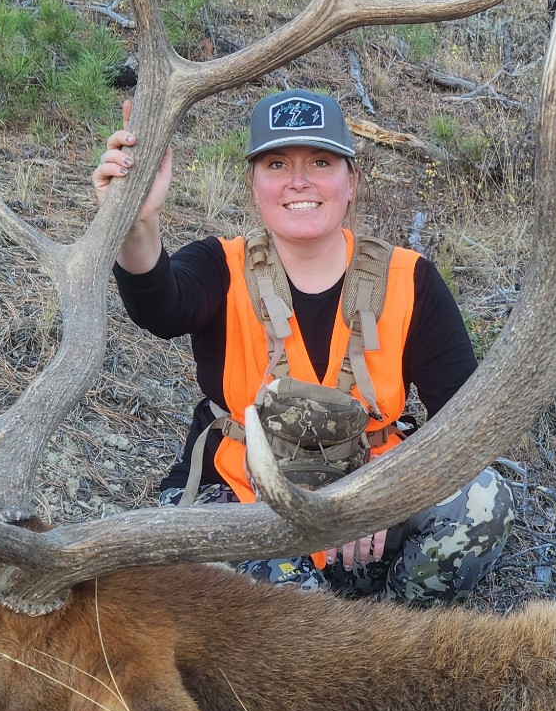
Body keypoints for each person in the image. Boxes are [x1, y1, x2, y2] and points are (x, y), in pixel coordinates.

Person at [93, 87, 513, 604]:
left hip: (371, 518)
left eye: (320, 161)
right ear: (253, 183)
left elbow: (466, 426)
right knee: (281, 603)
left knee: (483, 497)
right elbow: (159, 305)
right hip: (246, 505)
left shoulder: (410, 280)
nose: (299, 181)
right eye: (276, 163)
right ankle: (328, 638)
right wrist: (136, 221)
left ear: (351, 181)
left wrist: (378, 497)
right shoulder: (219, 266)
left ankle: (394, 637)